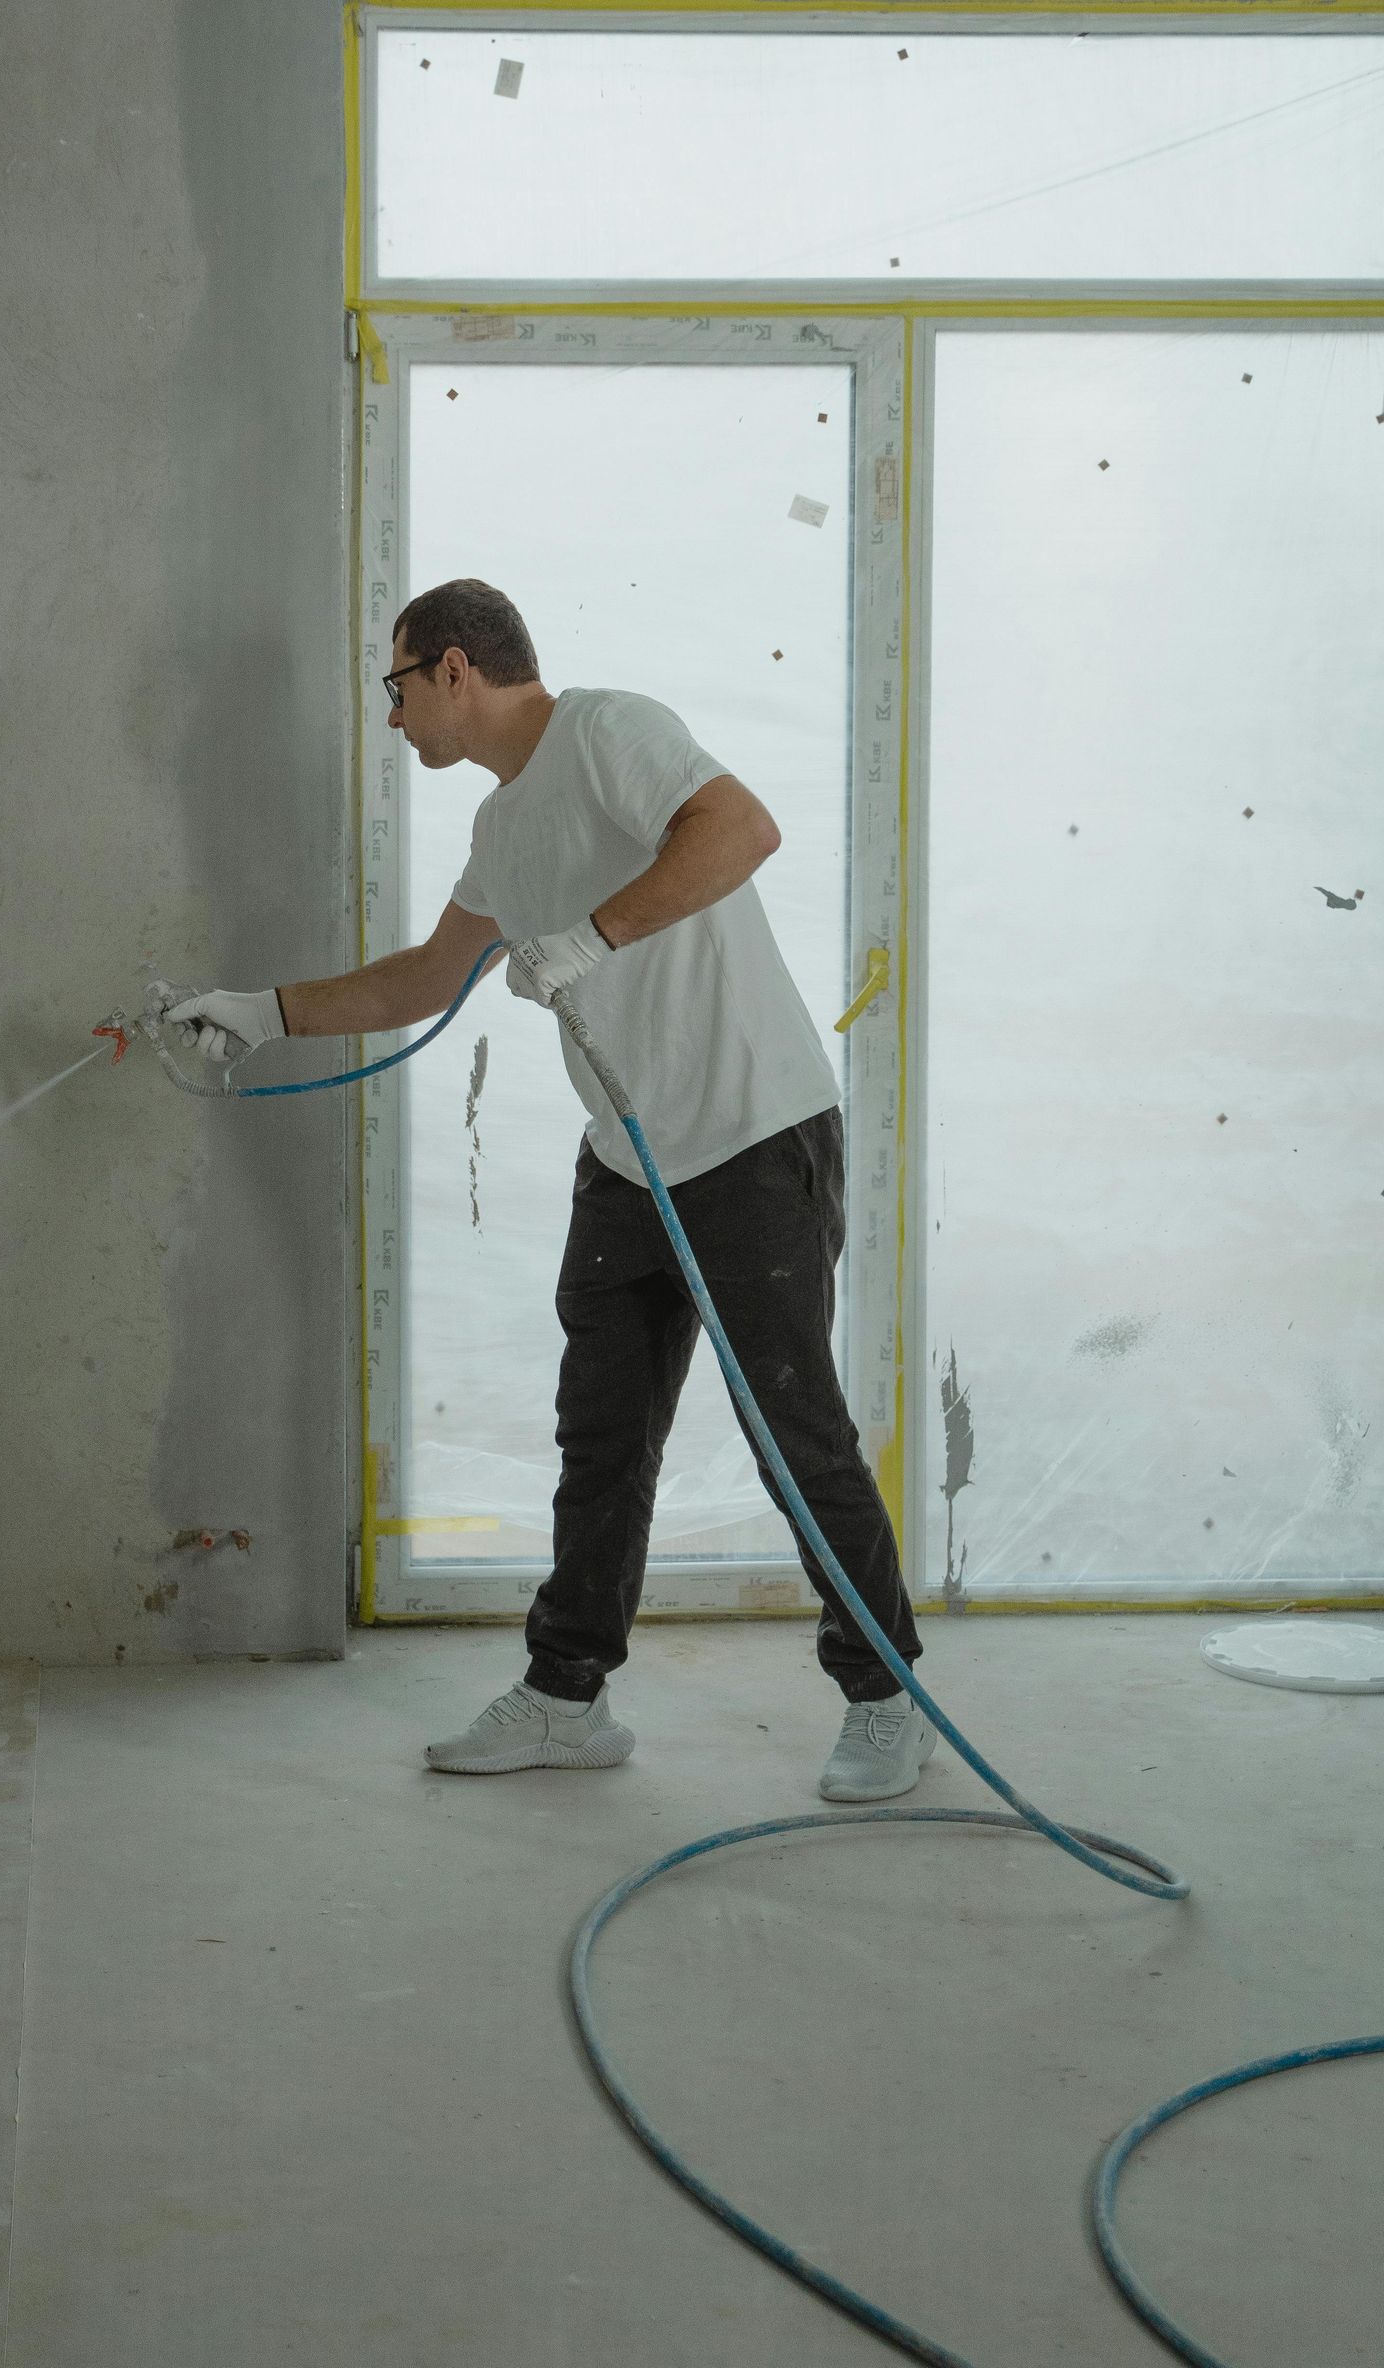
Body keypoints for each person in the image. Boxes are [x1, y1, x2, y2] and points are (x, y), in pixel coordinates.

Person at [165, 577, 932, 1803]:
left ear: (457, 669)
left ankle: (885, 1694)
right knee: (602, 1435)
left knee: (796, 1433)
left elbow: (741, 829)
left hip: (750, 1134)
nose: (396, 712)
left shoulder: (609, 729)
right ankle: (567, 1696)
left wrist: (592, 936)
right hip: (629, 1161)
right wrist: (262, 1015)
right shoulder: (499, 833)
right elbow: (426, 976)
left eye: (400, 683)